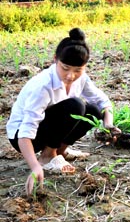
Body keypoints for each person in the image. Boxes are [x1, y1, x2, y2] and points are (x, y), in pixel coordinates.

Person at [6, 28, 121, 195]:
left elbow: (103, 102)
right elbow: (25, 132)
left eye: (77, 70)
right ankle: (47, 157)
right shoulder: (43, 86)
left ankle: (59, 152)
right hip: (22, 137)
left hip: (47, 127)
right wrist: (34, 166)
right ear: (55, 60)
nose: (70, 76)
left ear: (84, 67)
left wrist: (108, 124)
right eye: (65, 68)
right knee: (76, 105)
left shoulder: (81, 78)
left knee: (94, 111)